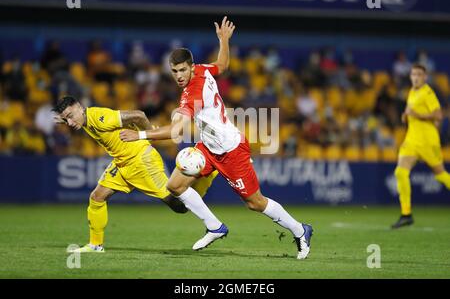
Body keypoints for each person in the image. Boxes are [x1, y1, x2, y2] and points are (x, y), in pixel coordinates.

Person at [119, 16, 313, 260]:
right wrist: (224, 40)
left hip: (231, 149)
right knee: (174, 186)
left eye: (182, 70)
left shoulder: (192, 93)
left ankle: (300, 230)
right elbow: (221, 66)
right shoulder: (201, 70)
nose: (178, 76)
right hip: (208, 146)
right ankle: (215, 227)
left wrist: (139, 135)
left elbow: (175, 131)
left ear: (190, 67)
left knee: (255, 202)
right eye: (174, 71)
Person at [52, 96, 216, 252]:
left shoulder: (100, 117)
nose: (70, 122)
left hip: (141, 160)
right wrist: (65, 118)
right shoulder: (82, 119)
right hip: (122, 162)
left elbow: (138, 115)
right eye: (67, 119)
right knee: (97, 197)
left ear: (80, 107)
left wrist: (149, 133)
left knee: (178, 206)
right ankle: (95, 245)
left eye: (71, 116)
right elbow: (71, 118)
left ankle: (205, 176)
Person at [392, 64, 450, 229]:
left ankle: (406, 214)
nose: (416, 77)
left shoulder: (428, 92)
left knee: (441, 176)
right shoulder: (412, 92)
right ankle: (406, 214)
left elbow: (438, 115)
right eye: (413, 74)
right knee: (401, 173)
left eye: (419, 74)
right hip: (411, 141)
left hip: (428, 141)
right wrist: (406, 115)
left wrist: (418, 115)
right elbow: (411, 110)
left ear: (424, 77)